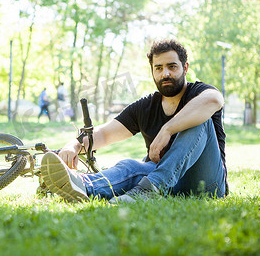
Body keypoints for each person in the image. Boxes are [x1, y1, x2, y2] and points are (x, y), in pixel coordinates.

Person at [40, 39, 228, 203]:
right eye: (159, 68)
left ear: (185, 68)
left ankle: (152, 187)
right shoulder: (145, 106)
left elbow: (215, 100)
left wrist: (167, 129)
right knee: (130, 166)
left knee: (200, 120)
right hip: (167, 184)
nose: (165, 74)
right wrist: (73, 145)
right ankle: (82, 186)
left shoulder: (200, 92)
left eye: (172, 66)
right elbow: (105, 134)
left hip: (206, 182)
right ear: (152, 71)